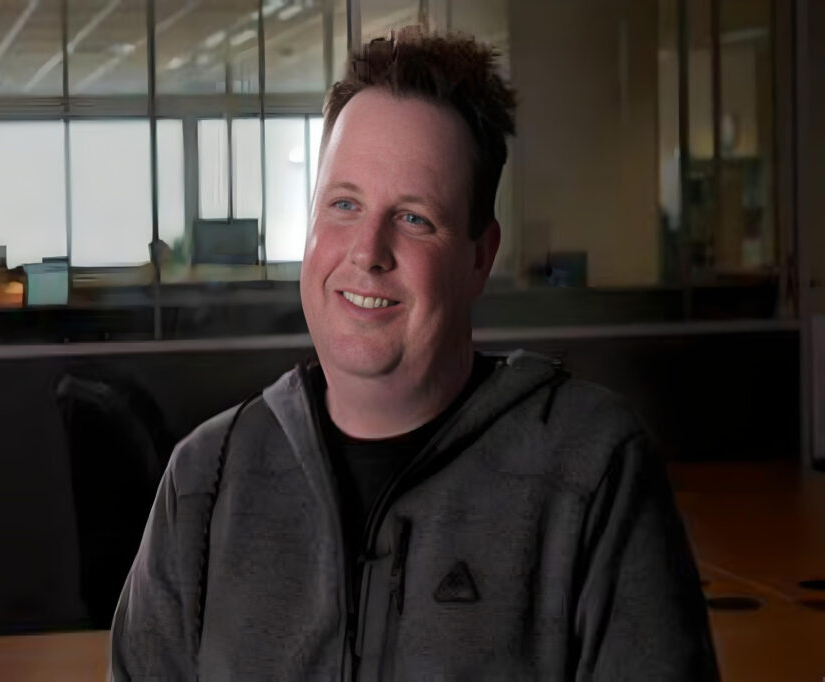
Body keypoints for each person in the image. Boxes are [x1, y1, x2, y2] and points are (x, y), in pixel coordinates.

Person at [110, 27, 718, 681]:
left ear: (479, 258)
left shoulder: (590, 472)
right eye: (344, 204)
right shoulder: (206, 480)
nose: (367, 251)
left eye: (414, 218)